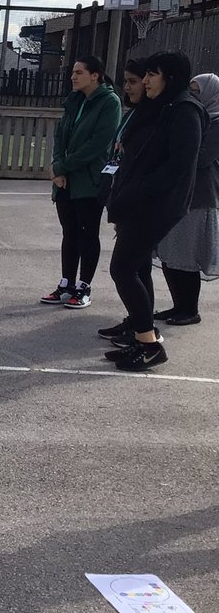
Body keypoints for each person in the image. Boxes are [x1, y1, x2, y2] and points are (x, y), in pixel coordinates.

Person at [104, 51, 205, 372]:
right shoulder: (159, 108)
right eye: (144, 75)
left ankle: (149, 344)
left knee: (122, 268)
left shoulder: (185, 111)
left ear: (170, 77)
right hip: (136, 202)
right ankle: (140, 335)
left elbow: (177, 167)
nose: (145, 81)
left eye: (152, 75)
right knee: (138, 268)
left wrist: (133, 194)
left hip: (156, 205)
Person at [40, 55, 121, 309]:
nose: (73, 77)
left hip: (89, 180)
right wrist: (58, 168)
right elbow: (61, 136)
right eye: (73, 72)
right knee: (70, 232)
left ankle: (84, 286)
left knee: (87, 233)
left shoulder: (109, 102)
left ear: (95, 75)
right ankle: (66, 283)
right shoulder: (74, 100)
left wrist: (63, 166)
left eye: (79, 72)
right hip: (66, 180)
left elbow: (97, 145)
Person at [96, 59, 158, 348]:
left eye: (134, 81)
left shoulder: (155, 117)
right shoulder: (133, 114)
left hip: (141, 205)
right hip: (123, 197)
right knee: (138, 267)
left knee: (127, 269)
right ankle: (136, 322)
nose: (130, 87)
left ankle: (145, 333)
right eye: (128, 81)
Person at [151, 72, 219, 325]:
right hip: (177, 193)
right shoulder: (191, 117)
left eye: (197, 91)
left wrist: (177, 151)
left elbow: (200, 157)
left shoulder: (216, 122)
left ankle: (190, 309)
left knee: (187, 257)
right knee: (170, 254)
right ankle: (177, 305)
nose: (193, 96)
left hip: (200, 197)